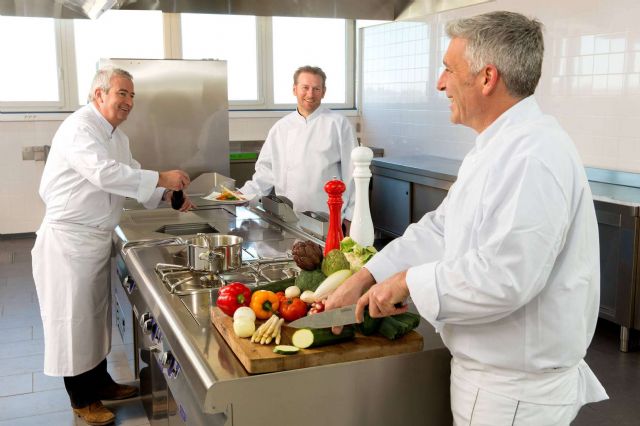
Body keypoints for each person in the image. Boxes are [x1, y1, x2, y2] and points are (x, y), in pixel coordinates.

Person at [325, 11, 608, 425]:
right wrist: (368, 275)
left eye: (448, 69)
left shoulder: (532, 156)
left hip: (513, 394)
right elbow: (443, 228)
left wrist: (406, 281)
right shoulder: (498, 146)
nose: (440, 83)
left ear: (487, 77)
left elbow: (504, 278)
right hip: (492, 381)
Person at [31, 67, 195, 426]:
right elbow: (105, 173)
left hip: (93, 238)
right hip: (68, 240)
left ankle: (100, 382)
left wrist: (167, 193)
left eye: (132, 95)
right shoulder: (80, 128)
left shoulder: (117, 136)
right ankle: (81, 399)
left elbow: (129, 174)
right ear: (98, 95)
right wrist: (161, 176)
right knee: (73, 321)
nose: (128, 102)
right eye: (122, 93)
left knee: (94, 317)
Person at [239, 65, 358, 228]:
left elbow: (353, 173)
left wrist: (351, 216)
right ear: (295, 89)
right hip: (288, 219)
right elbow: (266, 171)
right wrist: (243, 195)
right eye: (305, 87)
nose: (310, 94)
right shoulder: (281, 128)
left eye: (316, 88)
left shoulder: (339, 124)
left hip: (329, 220)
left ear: (324, 91)